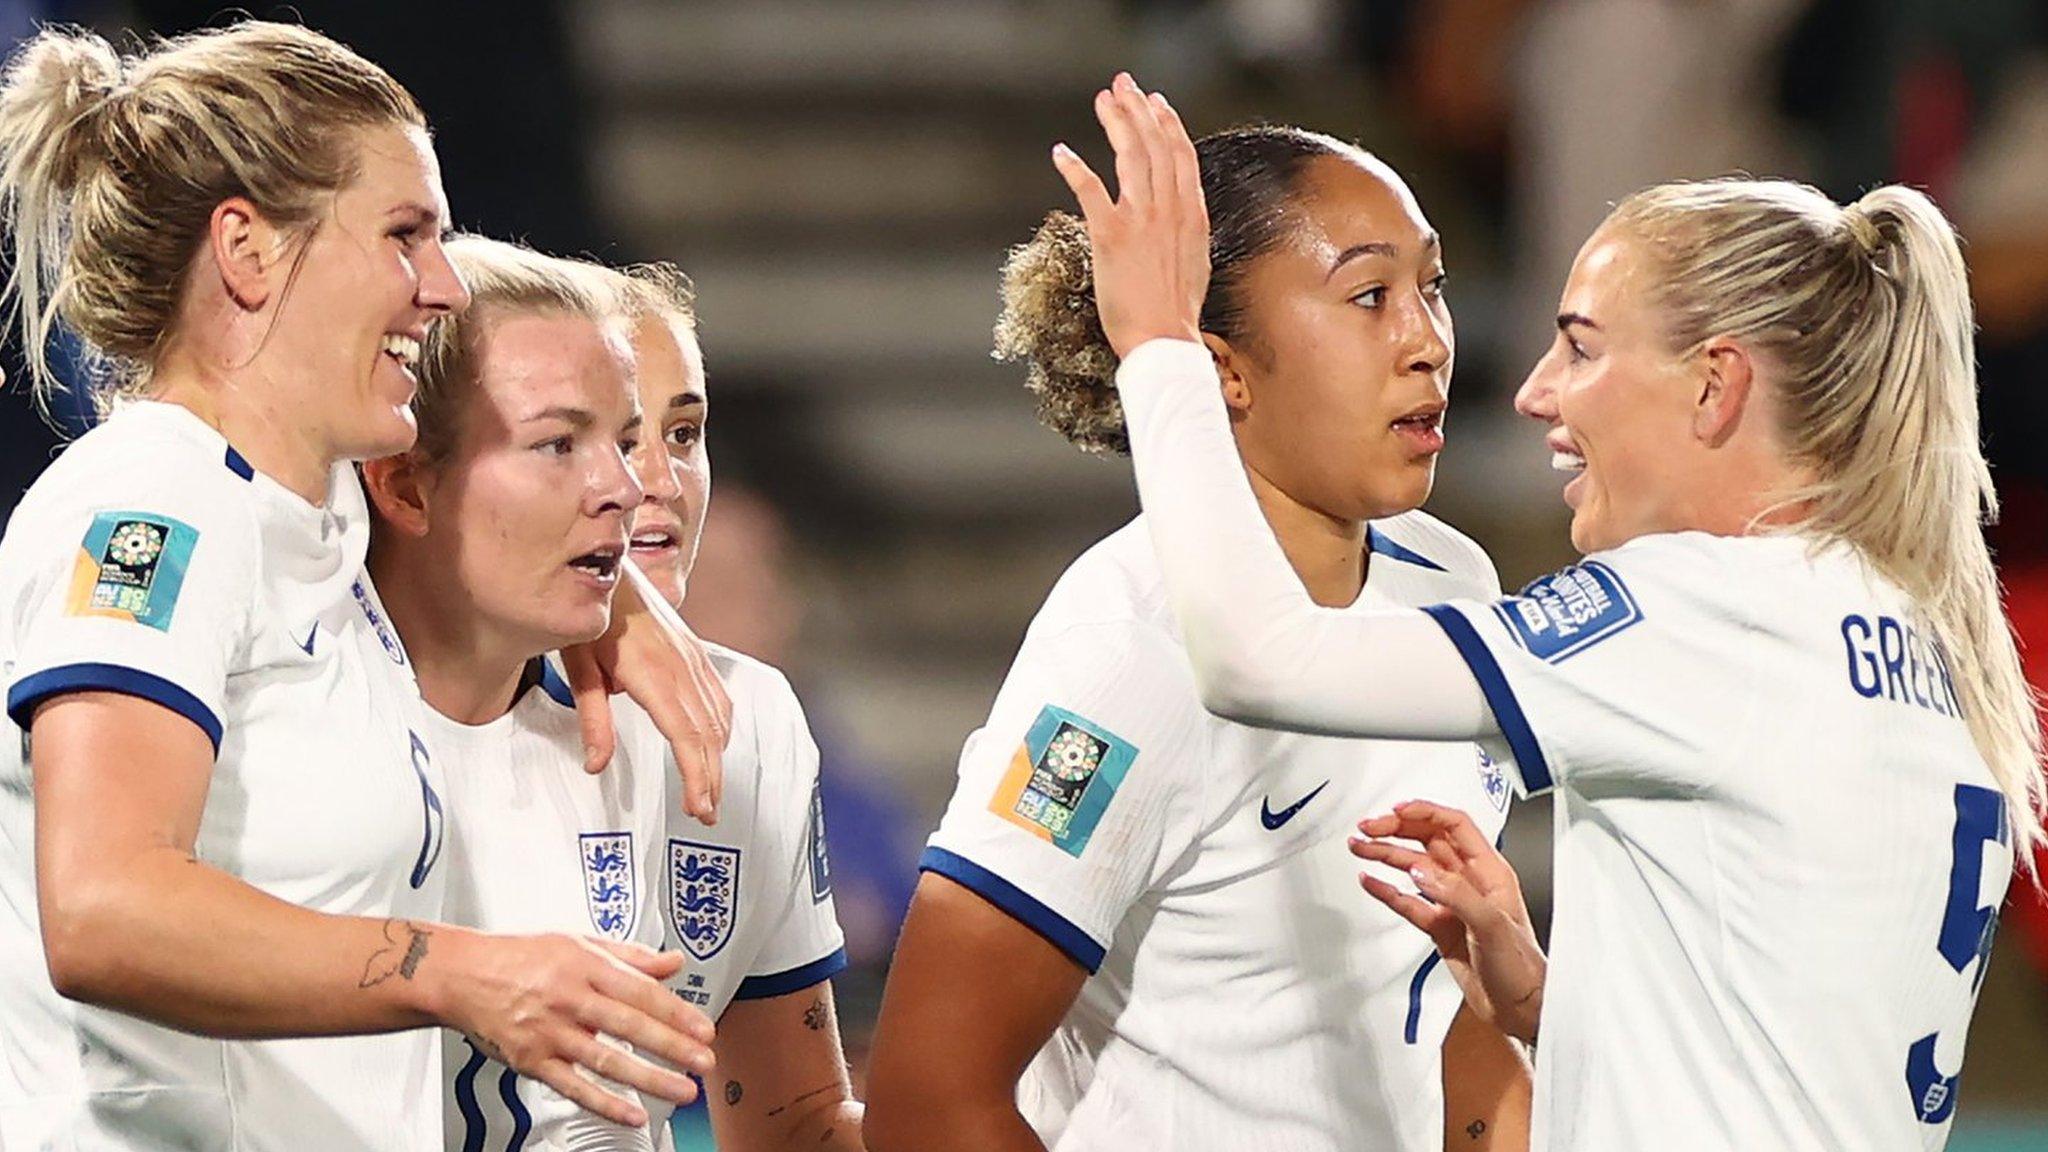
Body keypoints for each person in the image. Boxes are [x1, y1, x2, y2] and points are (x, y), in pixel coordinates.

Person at [1058, 73, 2046, 1150]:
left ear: (1714, 386)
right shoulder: (1918, 636)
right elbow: (1788, 1034)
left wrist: (1158, 347)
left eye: (1579, 346)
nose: (1534, 392)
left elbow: (1259, 657)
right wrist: (1543, 1002)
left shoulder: (1699, 609)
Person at [0, 24, 712, 1149]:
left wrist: (618, 603)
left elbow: (508, 413)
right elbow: (103, 908)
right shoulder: (150, 506)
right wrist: (462, 975)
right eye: (404, 237)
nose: (439, 288)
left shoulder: (317, 505)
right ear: (248, 252)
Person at [865, 116, 1532, 1151]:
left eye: (1431, 286)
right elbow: (928, 1101)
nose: (1426, 341)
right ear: (1218, 367)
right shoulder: (1124, 646)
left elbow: (1444, 1011)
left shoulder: (1452, 579)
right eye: (1368, 296)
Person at [359, 235, 862, 1151]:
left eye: (682, 433)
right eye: (568, 441)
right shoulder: (292, 687)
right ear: (402, 478)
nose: (644, 486)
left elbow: (798, 1124)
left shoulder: (745, 722)